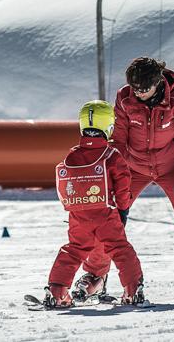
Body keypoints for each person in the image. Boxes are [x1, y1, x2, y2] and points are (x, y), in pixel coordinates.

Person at [75, 57, 174, 299]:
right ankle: (95, 274)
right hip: (133, 167)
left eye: (144, 89)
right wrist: (115, 178)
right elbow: (118, 141)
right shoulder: (125, 98)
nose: (138, 93)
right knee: (111, 219)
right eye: (135, 88)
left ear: (158, 82)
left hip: (170, 166)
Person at [44, 100, 146, 308]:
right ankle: (132, 290)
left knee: (73, 250)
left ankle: (57, 291)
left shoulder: (72, 154)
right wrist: (123, 209)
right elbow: (123, 186)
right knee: (120, 249)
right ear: (109, 126)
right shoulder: (111, 155)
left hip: (78, 215)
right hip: (105, 214)